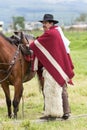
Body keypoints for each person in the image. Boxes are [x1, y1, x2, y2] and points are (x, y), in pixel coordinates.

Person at [29, 14, 74, 120]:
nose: (44, 25)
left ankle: (58, 113)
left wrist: (31, 44)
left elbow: (36, 44)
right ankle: (53, 112)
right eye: (43, 23)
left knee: (57, 89)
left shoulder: (52, 33)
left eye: (45, 23)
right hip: (55, 66)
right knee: (51, 89)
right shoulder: (54, 32)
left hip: (57, 66)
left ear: (51, 23)